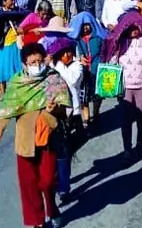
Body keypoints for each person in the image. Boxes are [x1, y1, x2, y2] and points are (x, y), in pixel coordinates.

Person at [0, 42, 72, 228]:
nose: (37, 65)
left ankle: (52, 208)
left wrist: (54, 108)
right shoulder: (17, 84)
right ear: (24, 64)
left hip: (47, 140)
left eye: (40, 61)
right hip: (25, 143)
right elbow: (5, 114)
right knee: (29, 186)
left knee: (48, 181)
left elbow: (65, 109)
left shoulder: (53, 79)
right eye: (32, 62)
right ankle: (37, 221)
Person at [115, 14, 142, 161]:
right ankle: (127, 148)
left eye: (136, 27)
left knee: (141, 117)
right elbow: (113, 61)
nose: (134, 30)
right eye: (130, 28)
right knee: (126, 119)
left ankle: (140, 144)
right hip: (126, 86)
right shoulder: (121, 43)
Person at [48, 38, 83, 206]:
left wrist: (57, 65)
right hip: (58, 114)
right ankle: (62, 183)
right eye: (63, 54)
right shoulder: (51, 68)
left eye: (69, 51)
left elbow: (71, 81)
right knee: (61, 151)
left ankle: (63, 181)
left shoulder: (77, 66)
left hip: (73, 113)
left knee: (71, 146)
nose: (67, 55)